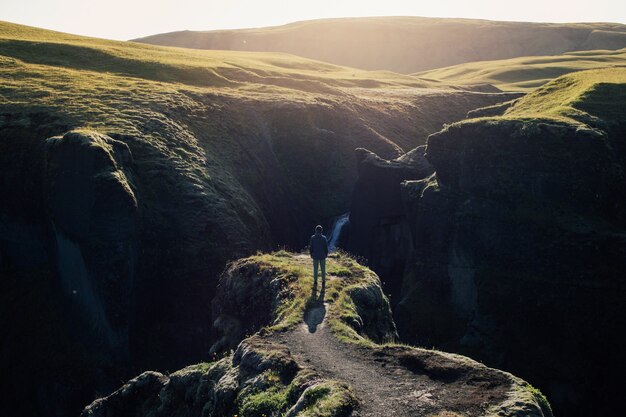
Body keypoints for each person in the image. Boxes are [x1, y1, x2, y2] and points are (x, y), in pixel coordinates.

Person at [309, 225, 329, 292]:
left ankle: (315, 282)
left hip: (315, 256)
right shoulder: (324, 238)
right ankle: (323, 282)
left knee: (315, 269)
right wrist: (326, 254)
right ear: (321, 231)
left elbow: (311, 247)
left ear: (315, 230)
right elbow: (325, 247)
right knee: (323, 269)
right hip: (322, 256)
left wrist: (311, 254)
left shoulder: (313, 237)